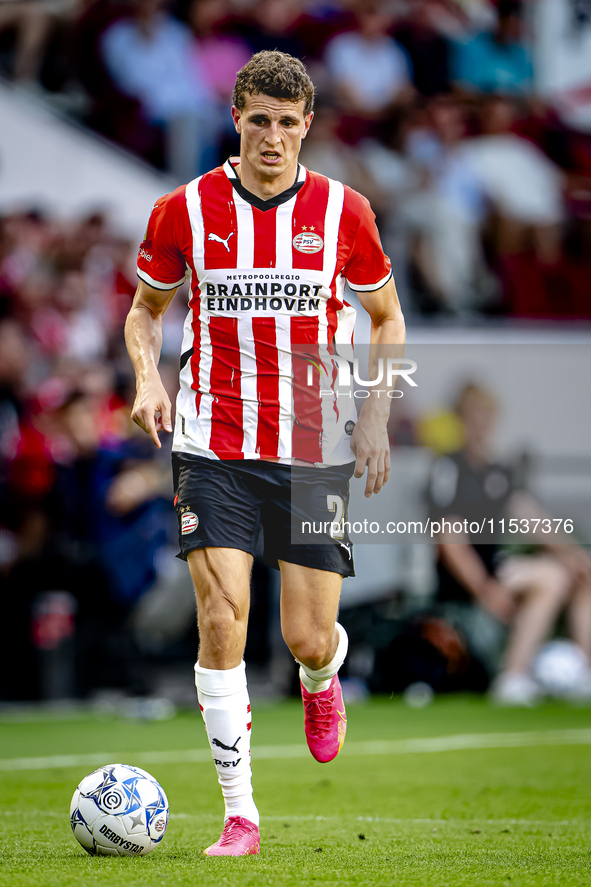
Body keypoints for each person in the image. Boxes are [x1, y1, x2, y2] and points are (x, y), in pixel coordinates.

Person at [125, 50, 405, 856]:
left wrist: (376, 418)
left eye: (288, 123)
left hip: (312, 446)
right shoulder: (183, 208)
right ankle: (239, 814)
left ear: (307, 126)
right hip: (211, 442)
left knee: (307, 638)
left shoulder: (345, 211)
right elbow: (144, 311)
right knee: (221, 620)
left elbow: (385, 318)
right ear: (236, 120)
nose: (273, 137)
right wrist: (148, 379)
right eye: (260, 121)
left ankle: (325, 678)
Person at [428, 383, 591, 706]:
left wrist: (574, 554)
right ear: (461, 420)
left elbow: (532, 518)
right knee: (551, 577)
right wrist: (485, 589)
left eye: (488, 416)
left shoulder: (497, 471)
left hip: (499, 570)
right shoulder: (450, 468)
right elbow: (451, 541)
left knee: (578, 572)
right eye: (475, 416)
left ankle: (583, 671)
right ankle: (513, 675)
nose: (483, 425)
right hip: (465, 585)